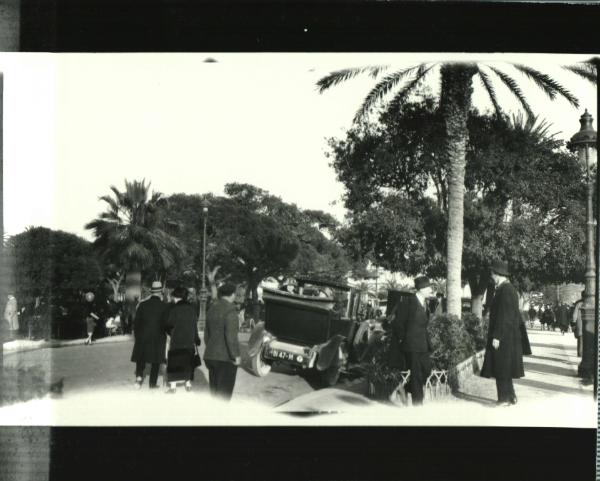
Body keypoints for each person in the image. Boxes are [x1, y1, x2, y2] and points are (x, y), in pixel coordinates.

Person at [480, 260, 524, 406]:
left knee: (501, 367)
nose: (491, 277)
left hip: (503, 336)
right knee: (505, 366)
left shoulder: (505, 290)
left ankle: (504, 399)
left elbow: (504, 316)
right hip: (508, 335)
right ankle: (511, 396)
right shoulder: (508, 288)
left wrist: (497, 336)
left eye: (493, 274)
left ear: (498, 274)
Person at [389, 276, 433, 406]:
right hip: (411, 345)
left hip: (423, 344)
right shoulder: (408, 302)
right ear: (421, 289)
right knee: (416, 375)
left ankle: (403, 388)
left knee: (427, 370)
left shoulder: (425, 304)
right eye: (429, 287)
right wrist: (404, 339)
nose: (431, 290)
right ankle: (417, 405)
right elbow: (398, 323)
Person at [203, 283, 241, 401]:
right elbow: (231, 337)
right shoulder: (231, 311)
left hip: (211, 356)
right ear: (232, 295)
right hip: (225, 359)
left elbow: (206, 334)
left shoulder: (212, 308)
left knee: (214, 392)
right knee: (224, 395)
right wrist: (236, 355)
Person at [130, 281, 169, 389]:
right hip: (158, 336)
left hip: (143, 336)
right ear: (161, 292)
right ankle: (152, 383)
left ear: (151, 292)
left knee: (141, 358)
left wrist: (137, 336)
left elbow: (136, 323)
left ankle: (138, 378)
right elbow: (166, 324)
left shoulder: (142, 305)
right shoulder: (164, 306)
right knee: (156, 361)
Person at [165, 286, 201, 393]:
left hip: (177, 340)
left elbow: (169, 324)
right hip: (189, 340)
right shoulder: (192, 309)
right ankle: (188, 383)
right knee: (188, 361)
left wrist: (170, 333)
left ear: (177, 297)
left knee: (174, 362)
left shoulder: (174, 309)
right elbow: (195, 325)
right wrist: (196, 338)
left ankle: (173, 386)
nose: (173, 299)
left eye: (174, 296)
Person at [573, 292, 584, 357]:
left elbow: (575, 315)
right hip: (589, 325)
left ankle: (580, 353)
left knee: (580, 339)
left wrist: (574, 322)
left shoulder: (578, 304)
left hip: (580, 323)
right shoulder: (592, 303)